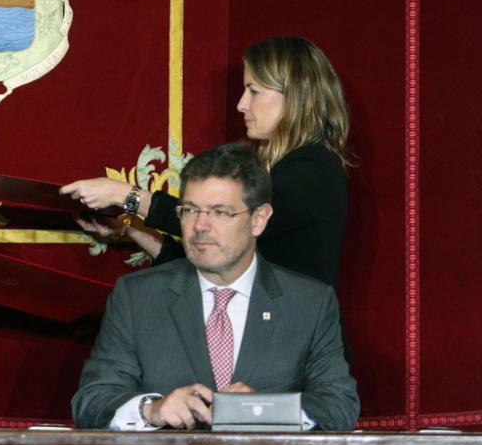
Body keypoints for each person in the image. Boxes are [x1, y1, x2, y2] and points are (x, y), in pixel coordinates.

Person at [71, 143, 358, 431]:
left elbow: (338, 405)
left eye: (220, 212)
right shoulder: (136, 297)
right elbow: (92, 400)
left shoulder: (310, 303)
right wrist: (151, 410)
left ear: (259, 219)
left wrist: (264, 411)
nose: (200, 226)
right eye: (190, 210)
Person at [61, 36, 350, 288]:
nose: (241, 104)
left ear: (295, 96)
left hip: (293, 346)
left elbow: (223, 224)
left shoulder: (315, 167)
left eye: (254, 90)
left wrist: (126, 195)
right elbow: (209, 267)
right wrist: (133, 228)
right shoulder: (282, 169)